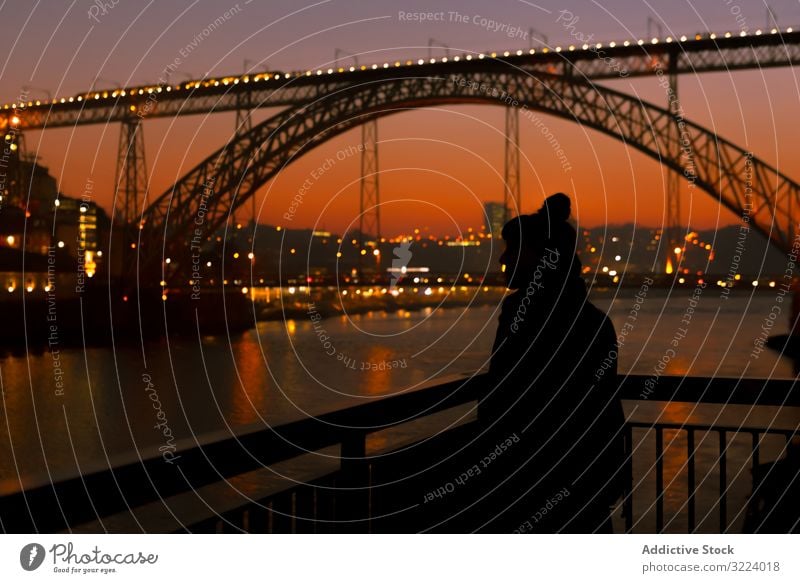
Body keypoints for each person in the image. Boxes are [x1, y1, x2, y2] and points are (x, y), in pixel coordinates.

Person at [440, 193, 626, 533]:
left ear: (542, 256)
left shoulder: (521, 314)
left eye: (513, 250)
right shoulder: (597, 322)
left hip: (528, 479)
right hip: (586, 478)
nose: (503, 260)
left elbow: (505, 396)